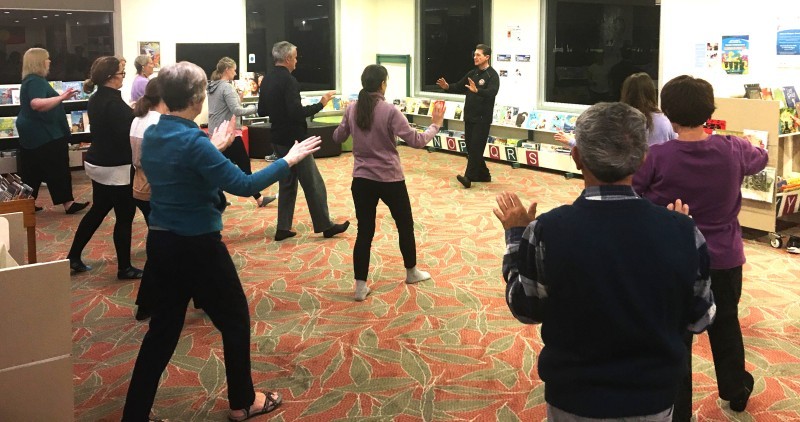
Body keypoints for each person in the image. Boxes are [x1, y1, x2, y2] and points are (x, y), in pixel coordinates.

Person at [121, 61, 322, 422]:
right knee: (235, 321)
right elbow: (244, 185)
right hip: (199, 247)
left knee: (161, 333)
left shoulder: (154, 134)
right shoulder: (194, 143)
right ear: (196, 99)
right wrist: (289, 160)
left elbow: (182, 170)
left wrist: (213, 147)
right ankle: (244, 402)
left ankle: (134, 414)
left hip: (162, 244)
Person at [495, 102, 716, 421]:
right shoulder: (683, 231)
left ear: (576, 156)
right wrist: (677, 239)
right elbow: (700, 318)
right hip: (653, 399)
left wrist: (516, 236)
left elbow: (525, 309)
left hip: (573, 398)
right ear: (643, 158)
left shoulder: (545, 230)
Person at [633, 75, 767, 417]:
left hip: (672, 257)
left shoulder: (656, 156)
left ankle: (678, 410)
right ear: (710, 111)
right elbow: (761, 158)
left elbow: (633, 191)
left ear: (668, 112)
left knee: (676, 333)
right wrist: (753, 143)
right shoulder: (733, 148)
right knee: (726, 323)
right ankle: (736, 388)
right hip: (724, 257)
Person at [332, 65, 444, 301]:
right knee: (405, 225)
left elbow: (337, 137)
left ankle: (360, 287)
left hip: (361, 179)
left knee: (365, 232)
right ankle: (411, 272)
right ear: (382, 84)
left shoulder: (352, 108)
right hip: (390, 179)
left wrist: (348, 121)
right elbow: (416, 141)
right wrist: (435, 125)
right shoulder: (390, 110)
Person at [258, 41, 349, 241]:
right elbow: (296, 113)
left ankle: (283, 228)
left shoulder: (267, 79)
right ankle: (325, 225)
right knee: (314, 183)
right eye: (295, 57)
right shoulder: (289, 81)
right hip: (295, 141)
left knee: (287, 183)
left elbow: (262, 110)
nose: (297, 61)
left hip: (277, 138)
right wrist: (320, 104)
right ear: (288, 58)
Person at [67, 56, 142, 280]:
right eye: (121, 73)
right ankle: (124, 268)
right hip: (115, 166)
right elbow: (124, 135)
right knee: (125, 215)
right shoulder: (113, 103)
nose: (123, 77)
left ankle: (73, 255)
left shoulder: (97, 98)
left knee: (99, 209)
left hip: (98, 162)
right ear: (110, 77)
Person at [15, 48, 89, 214]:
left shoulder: (30, 80)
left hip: (34, 132)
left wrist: (61, 96)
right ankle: (68, 203)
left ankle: (27, 202)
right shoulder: (35, 81)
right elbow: (36, 104)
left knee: (32, 169)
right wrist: (62, 97)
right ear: (39, 62)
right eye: (47, 59)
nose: (49, 61)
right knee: (58, 167)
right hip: (44, 133)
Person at [208, 57, 275, 208]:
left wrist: (238, 99)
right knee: (244, 166)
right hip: (228, 134)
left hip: (216, 132)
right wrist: (258, 108)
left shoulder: (212, 86)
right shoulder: (226, 87)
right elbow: (237, 111)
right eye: (234, 69)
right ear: (227, 70)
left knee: (220, 166)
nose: (235, 72)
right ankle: (259, 198)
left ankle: (217, 198)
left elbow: (225, 108)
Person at [554, 72, 676, 148]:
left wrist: (571, 142)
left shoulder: (620, 120)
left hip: (628, 178)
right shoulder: (665, 121)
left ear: (625, 92)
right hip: (657, 178)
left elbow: (600, 150)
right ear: (652, 92)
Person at [436, 43, 499, 189]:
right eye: (474, 54)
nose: (475, 57)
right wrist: (447, 87)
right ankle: (484, 175)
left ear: (487, 57)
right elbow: (458, 86)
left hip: (482, 119)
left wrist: (478, 91)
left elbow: (492, 92)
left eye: (478, 55)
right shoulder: (472, 73)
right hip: (469, 116)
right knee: (471, 148)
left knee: (476, 148)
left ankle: (468, 178)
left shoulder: (492, 75)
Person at [129, 77, 166, 321]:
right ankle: (147, 301)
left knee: (163, 244)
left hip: (140, 187)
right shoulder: (158, 122)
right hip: (155, 189)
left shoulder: (137, 119)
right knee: (162, 247)